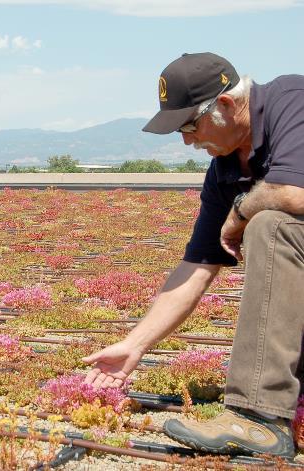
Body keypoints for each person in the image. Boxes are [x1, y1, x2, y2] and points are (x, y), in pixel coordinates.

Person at [81, 52, 304, 458]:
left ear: (224, 105)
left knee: (271, 224)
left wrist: (239, 211)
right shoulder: (223, 168)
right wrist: (135, 344)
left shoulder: (294, 100)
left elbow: (295, 193)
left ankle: (260, 418)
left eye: (189, 125)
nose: (187, 140)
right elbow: (197, 268)